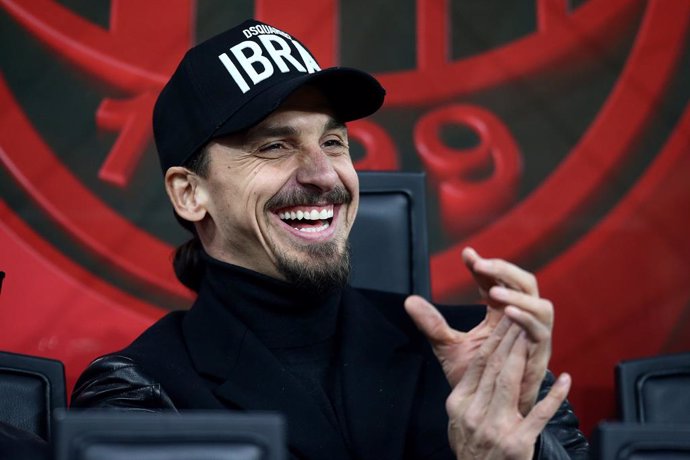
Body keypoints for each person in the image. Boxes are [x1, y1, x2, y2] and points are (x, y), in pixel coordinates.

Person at [71, 19, 589, 459]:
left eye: (334, 141)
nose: (324, 174)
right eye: (273, 145)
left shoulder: (479, 352)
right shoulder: (140, 390)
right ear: (189, 193)